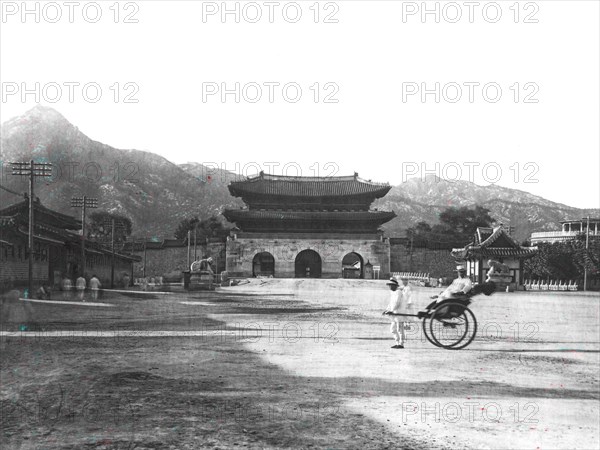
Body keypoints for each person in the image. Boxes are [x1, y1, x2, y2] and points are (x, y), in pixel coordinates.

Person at [382, 277, 411, 349]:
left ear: (395, 286)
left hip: (399, 313)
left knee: (400, 329)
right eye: (389, 285)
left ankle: (401, 344)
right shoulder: (393, 292)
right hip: (394, 313)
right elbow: (391, 303)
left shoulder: (398, 292)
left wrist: (391, 310)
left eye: (391, 285)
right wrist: (387, 310)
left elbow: (397, 303)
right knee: (393, 329)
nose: (389, 287)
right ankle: (397, 342)